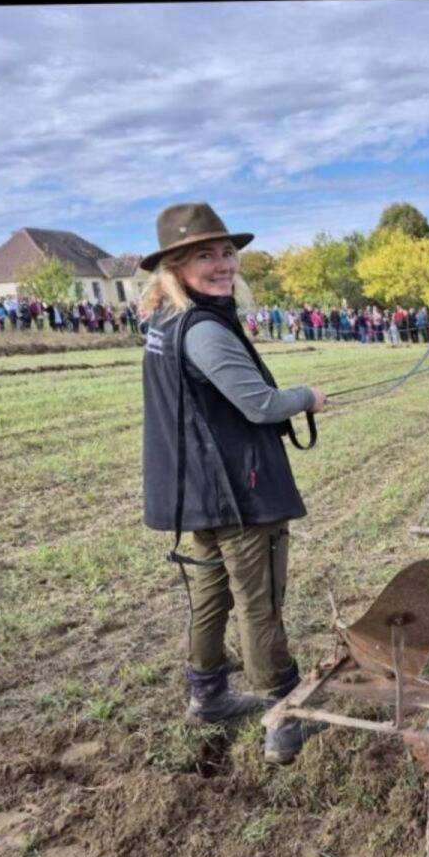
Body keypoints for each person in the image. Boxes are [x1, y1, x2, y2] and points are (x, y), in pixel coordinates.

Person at [138, 202, 327, 766]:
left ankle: (208, 695)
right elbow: (261, 404)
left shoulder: (166, 321)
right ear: (174, 265)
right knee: (259, 601)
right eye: (205, 256)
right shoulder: (202, 328)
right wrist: (309, 398)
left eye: (226, 253)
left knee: (211, 596)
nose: (223, 265)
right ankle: (283, 713)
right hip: (239, 492)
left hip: (198, 490)